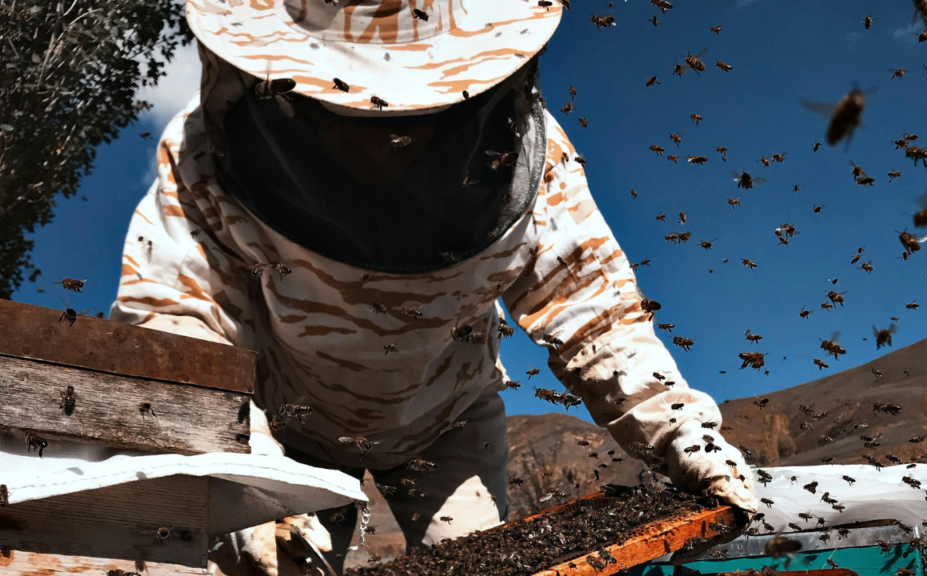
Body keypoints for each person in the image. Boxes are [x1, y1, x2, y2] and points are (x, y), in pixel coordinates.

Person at [111, 0, 756, 573]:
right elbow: (177, 327)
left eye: (421, 116)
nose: (390, 140)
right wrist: (246, 470)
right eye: (354, 115)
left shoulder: (539, 165)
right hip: (285, 437)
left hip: (449, 426)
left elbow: (597, 313)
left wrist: (686, 438)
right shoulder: (202, 157)